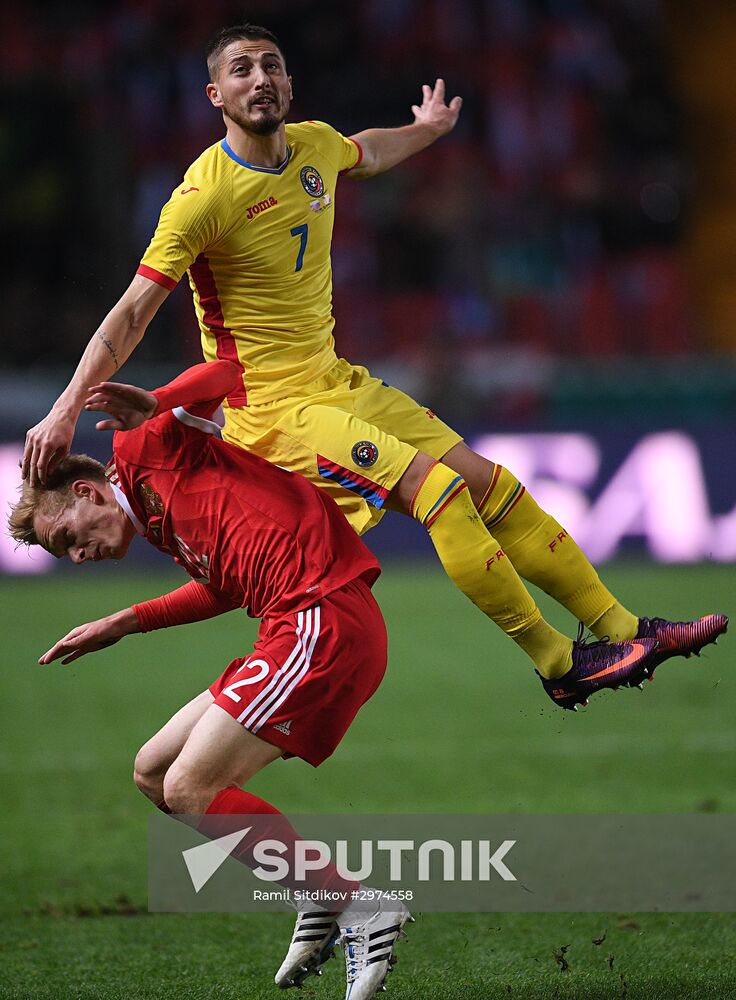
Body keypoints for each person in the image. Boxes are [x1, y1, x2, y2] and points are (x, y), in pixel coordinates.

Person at [21, 23, 726, 708]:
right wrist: (63, 407)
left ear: (289, 82)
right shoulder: (202, 197)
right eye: (241, 69)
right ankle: (559, 663)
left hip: (338, 381)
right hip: (276, 412)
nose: (260, 78)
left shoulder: (313, 147)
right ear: (215, 96)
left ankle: (627, 633)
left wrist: (427, 130)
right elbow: (133, 310)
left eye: (271, 65)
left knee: (492, 486)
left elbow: (367, 152)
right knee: (440, 495)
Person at [9, 360, 412, 1000]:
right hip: (289, 627)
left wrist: (159, 402)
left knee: (191, 787)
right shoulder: (162, 523)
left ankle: (358, 905)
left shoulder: (141, 447)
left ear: (86, 495)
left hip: (321, 615)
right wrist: (125, 622)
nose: (79, 558)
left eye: (70, 539)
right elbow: (223, 586)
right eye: (68, 557)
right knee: (152, 772)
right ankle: (319, 897)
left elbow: (229, 371)